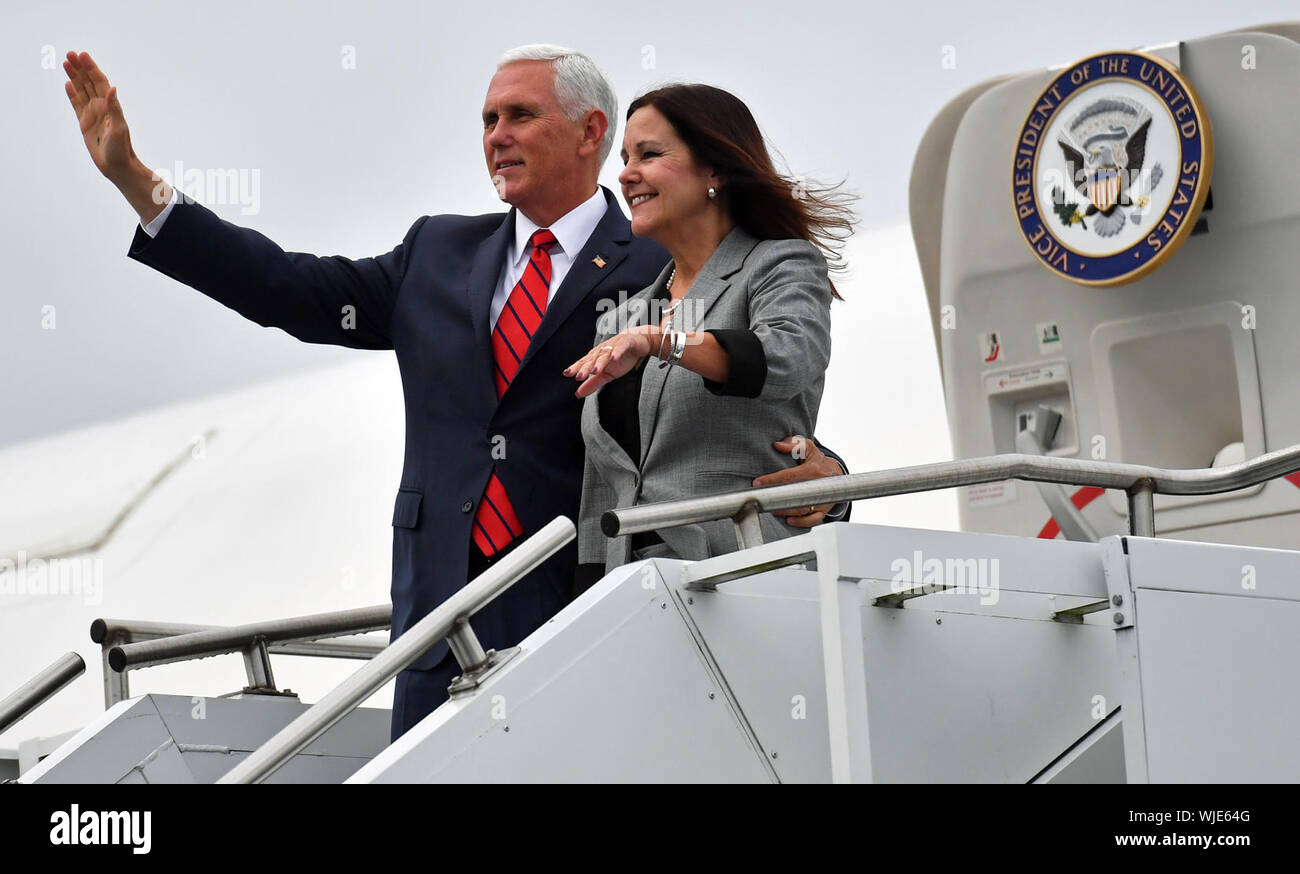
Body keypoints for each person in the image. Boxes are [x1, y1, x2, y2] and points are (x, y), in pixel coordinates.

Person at [61, 46, 852, 741]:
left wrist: (830, 477)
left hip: (577, 594)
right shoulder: (436, 253)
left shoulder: (656, 257)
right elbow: (288, 290)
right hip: (436, 612)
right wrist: (140, 185)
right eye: (486, 120)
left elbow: (743, 401)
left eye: (519, 115)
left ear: (589, 133)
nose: (495, 136)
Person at [566, 84, 853, 572]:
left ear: (714, 169)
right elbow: (601, 487)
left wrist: (660, 340)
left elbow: (784, 359)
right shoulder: (621, 320)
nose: (626, 174)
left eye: (649, 154)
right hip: (631, 590)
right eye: (625, 157)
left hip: (746, 574)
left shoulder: (782, 263)